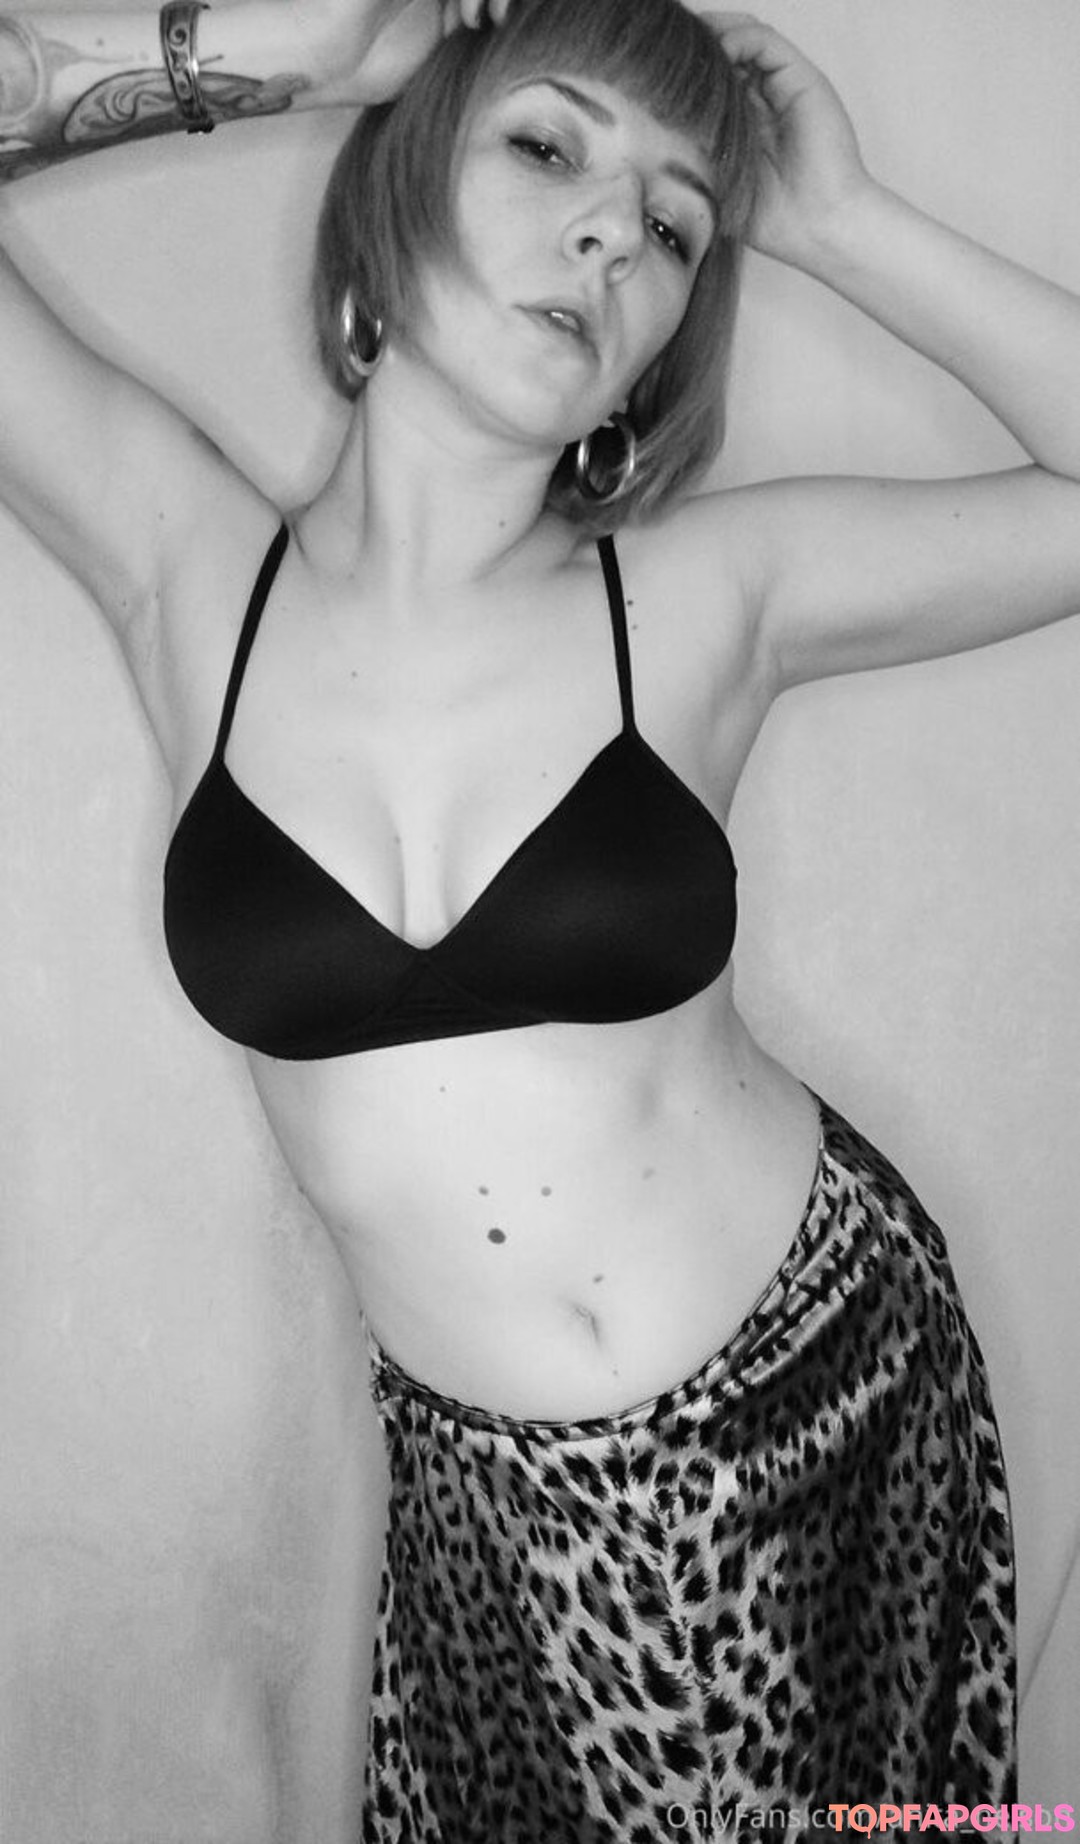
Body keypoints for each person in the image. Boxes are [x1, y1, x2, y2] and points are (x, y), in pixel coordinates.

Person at [3, 0, 1078, 1827]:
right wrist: (317, 56)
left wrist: (836, 221)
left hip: (828, 1408)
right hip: (491, 1526)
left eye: (673, 224)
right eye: (545, 145)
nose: (608, 237)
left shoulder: (707, 595)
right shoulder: (189, 571)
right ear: (404, 177)